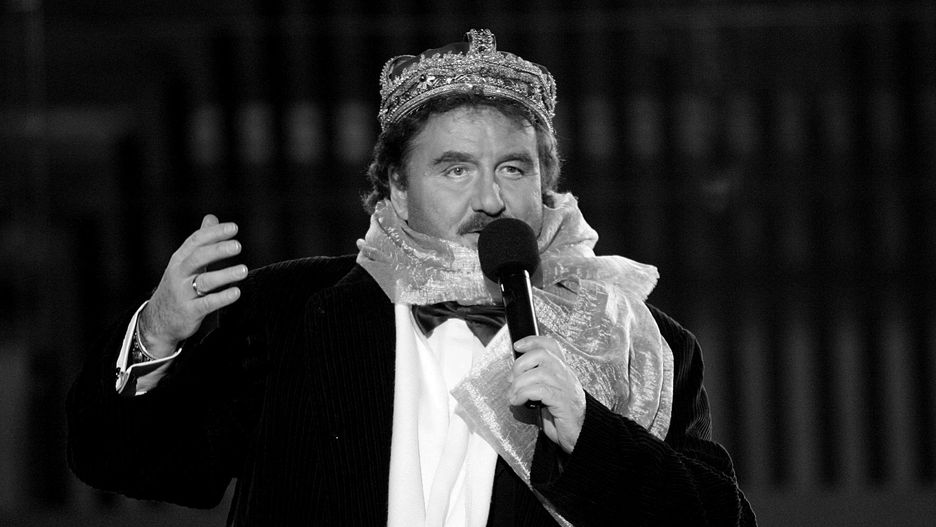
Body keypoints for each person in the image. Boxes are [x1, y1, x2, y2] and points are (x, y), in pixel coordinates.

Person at [67, 29, 756, 526]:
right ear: (396, 188)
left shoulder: (635, 342)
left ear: (545, 184)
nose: (490, 198)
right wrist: (155, 334)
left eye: (513, 168)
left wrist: (591, 434)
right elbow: (127, 462)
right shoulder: (291, 311)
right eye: (455, 169)